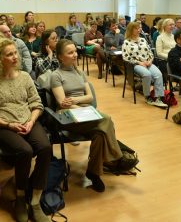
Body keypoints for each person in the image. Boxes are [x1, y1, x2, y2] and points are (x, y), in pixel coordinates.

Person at [0, 38, 51, 222]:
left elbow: (37, 104)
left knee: (45, 148)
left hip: (27, 121)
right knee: (25, 151)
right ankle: (19, 197)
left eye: (15, 52)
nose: (15, 56)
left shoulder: (25, 77)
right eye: (9, 54)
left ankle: (34, 200)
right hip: (2, 125)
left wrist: (32, 121)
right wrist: (8, 124)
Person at [50, 39, 137, 192]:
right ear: (60, 57)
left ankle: (93, 172)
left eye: (75, 51)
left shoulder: (79, 72)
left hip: (83, 110)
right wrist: (78, 106)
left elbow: (90, 97)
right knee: (107, 119)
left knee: (99, 134)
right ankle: (117, 158)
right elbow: (62, 102)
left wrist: (76, 100)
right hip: (67, 116)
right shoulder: (56, 75)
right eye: (70, 53)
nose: (75, 55)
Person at [122, 21, 167, 107]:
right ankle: (147, 96)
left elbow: (150, 52)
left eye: (139, 28)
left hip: (147, 62)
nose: (139, 30)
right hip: (136, 64)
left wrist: (150, 60)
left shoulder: (143, 40)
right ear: (131, 30)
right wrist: (139, 62)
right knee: (147, 74)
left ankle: (158, 98)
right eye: (136, 28)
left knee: (158, 74)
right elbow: (126, 57)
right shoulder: (126, 42)